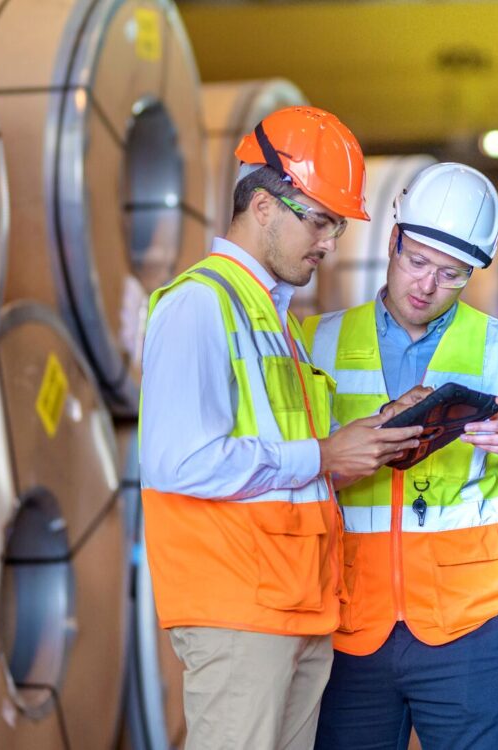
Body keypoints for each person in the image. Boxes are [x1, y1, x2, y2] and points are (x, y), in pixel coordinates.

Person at [138, 106, 423, 750]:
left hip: (295, 608)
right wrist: (324, 454)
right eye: (320, 220)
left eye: (337, 227)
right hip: (239, 612)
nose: (329, 243)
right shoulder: (200, 304)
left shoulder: (275, 320)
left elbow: (293, 465)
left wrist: (374, 436)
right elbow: (178, 461)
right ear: (263, 205)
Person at [302, 162, 498, 750]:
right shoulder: (316, 342)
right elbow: (282, 474)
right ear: (393, 240)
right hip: (347, 627)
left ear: (473, 272)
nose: (426, 285)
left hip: (466, 633)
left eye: (451, 273)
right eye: (416, 261)